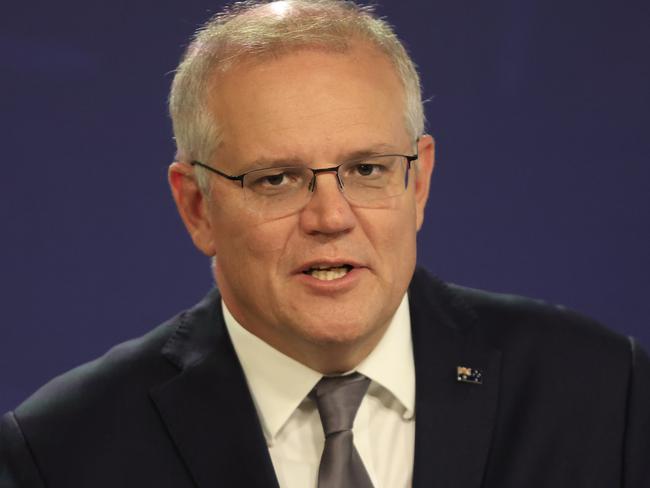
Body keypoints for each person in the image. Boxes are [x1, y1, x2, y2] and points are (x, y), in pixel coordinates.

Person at [1, 1, 648, 486]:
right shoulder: (60, 452)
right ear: (197, 207)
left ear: (417, 182)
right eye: (277, 179)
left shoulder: (603, 392)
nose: (331, 216)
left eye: (367, 169)